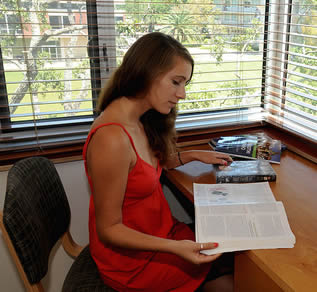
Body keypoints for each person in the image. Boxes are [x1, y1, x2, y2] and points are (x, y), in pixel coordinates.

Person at [83, 32, 234, 292]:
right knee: (232, 258)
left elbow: (143, 169)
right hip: (133, 262)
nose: (182, 94)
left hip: (161, 234)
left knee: (228, 248)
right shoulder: (112, 138)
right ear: (147, 73)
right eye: (176, 82)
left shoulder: (138, 119)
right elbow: (108, 229)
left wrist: (193, 154)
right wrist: (176, 248)